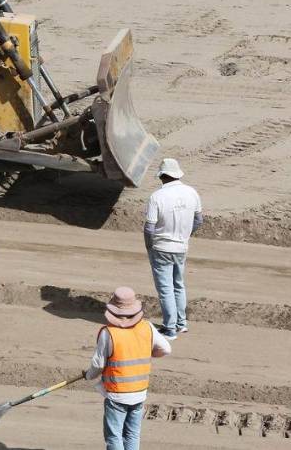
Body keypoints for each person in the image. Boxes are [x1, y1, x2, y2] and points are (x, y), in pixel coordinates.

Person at [85, 286, 172, 450]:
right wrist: (148, 352)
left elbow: (98, 364)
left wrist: (89, 375)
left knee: (114, 436)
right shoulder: (147, 327)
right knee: (132, 434)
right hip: (140, 392)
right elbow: (166, 349)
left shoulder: (109, 333)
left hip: (117, 394)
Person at [144, 158, 202, 339]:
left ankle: (169, 328)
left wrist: (149, 245)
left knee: (165, 288)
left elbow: (149, 227)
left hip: (161, 247)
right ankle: (181, 323)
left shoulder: (157, 196)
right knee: (178, 285)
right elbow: (199, 220)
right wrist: (185, 235)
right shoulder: (192, 193)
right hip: (181, 247)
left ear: (162, 176)